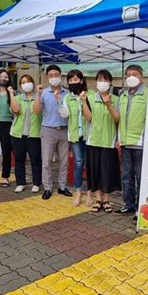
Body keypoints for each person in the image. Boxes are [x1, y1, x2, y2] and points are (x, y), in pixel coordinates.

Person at [81, 70, 121, 213]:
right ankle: (98, 199)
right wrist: (83, 102)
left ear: (110, 82)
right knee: (95, 170)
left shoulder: (116, 99)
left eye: (105, 79)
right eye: (99, 79)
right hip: (93, 140)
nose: (102, 82)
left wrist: (109, 104)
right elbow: (88, 118)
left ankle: (106, 199)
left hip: (109, 141)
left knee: (107, 171)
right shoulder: (90, 98)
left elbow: (117, 119)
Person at [113, 65, 148, 221]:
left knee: (141, 177)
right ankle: (129, 204)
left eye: (134, 74)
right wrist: (118, 139)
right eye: (128, 75)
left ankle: (140, 208)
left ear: (141, 76)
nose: (131, 77)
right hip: (126, 143)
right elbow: (118, 118)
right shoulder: (123, 95)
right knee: (126, 176)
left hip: (141, 143)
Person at [34, 65, 72, 200]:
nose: (54, 77)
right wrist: (38, 95)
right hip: (48, 130)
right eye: (51, 75)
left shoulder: (67, 93)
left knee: (64, 161)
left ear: (61, 76)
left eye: (56, 74)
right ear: (47, 77)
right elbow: (37, 111)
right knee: (47, 161)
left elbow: (69, 113)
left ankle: (62, 186)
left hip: (64, 130)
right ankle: (48, 187)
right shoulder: (43, 92)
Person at [59, 69, 93, 206]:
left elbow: (91, 116)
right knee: (78, 163)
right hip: (75, 135)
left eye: (76, 79)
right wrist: (58, 102)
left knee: (89, 164)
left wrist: (84, 100)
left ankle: (90, 193)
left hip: (90, 135)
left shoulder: (91, 94)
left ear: (82, 80)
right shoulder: (67, 97)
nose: (73, 82)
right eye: (71, 80)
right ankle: (78, 193)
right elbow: (64, 115)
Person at [9, 74, 42, 193]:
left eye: (28, 81)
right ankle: (20, 182)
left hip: (34, 134)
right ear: (20, 86)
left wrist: (38, 94)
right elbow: (15, 111)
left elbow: (38, 111)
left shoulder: (39, 97)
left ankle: (36, 183)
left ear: (32, 83)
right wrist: (11, 94)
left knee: (36, 159)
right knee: (19, 159)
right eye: (23, 82)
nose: (26, 84)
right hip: (18, 134)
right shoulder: (17, 98)